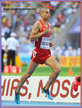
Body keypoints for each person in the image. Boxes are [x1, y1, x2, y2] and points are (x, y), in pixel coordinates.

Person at [15, 7, 61, 104]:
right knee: (28, 74)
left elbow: (44, 38)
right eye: (46, 12)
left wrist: (49, 43)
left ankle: (46, 88)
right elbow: (31, 38)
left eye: (49, 12)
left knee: (57, 70)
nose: (49, 14)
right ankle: (17, 91)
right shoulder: (38, 24)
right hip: (38, 53)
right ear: (41, 14)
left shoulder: (48, 24)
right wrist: (42, 33)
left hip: (46, 53)